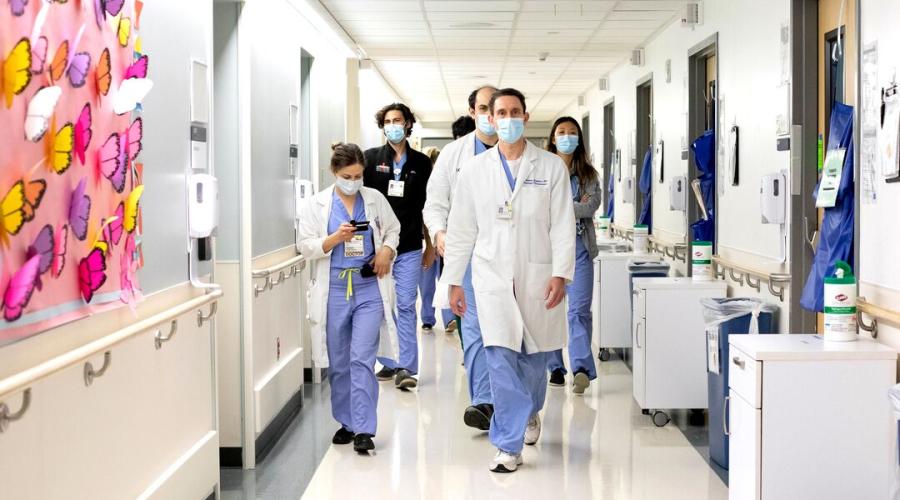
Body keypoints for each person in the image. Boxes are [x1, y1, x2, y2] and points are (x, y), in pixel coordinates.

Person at [442, 88, 576, 472]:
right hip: (491, 277)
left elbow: (563, 226)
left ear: (526, 116)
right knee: (499, 355)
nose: (508, 118)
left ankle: (530, 410)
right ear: (490, 118)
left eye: (515, 111)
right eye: (501, 112)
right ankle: (508, 444)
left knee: (535, 359)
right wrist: (454, 280)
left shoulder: (551, 167)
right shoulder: (474, 170)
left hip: (538, 274)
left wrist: (560, 273)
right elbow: (462, 228)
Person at [296, 143, 401, 454]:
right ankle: (347, 422)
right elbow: (305, 245)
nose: (353, 181)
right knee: (339, 362)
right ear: (334, 173)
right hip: (335, 291)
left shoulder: (375, 199)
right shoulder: (316, 205)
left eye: (358, 175)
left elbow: (393, 230)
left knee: (361, 359)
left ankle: (365, 428)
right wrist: (333, 239)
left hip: (369, 288)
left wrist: (385, 250)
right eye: (347, 175)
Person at [423, 85, 499, 431]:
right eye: (483, 108)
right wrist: (438, 232)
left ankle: (518, 403)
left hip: (514, 256)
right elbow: (435, 203)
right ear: (473, 112)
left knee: (515, 331)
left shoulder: (528, 158)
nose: (489, 115)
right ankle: (483, 402)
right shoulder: (454, 154)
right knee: (475, 327)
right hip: (468, 253)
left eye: (494, 108)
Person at [363, 103, 434, 390]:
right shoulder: (370, 159)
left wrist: (430, 244)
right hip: (379, 247)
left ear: (407, 125)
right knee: (382, 304)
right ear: (383, 126)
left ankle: (406, 366)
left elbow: (428, 207)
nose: (393, 125)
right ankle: (388, 361)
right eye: (388, 121)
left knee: (405, 304)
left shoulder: (420, 162)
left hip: (409, 244)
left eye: (398, 120)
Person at [545, 117, 601, 394]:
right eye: (562, 132)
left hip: (579, 247)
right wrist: (572, 205)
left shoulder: (588, 174)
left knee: (579, 311)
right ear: (553, 138)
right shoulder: (541, 169)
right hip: (547, 249)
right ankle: (555, 367)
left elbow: (591, 207)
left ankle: (580, 368)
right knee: (551, 307)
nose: (567, 137)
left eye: (572, 133)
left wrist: (559, 207)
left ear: (579, 138)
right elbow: (538, 208)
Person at [418, 148, 454, 333]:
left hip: (449, 237)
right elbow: (427, 213)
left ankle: (448, 319)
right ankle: (428, 318)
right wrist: (430, 244)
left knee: (447, 278)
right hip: (427, 238)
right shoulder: (424, 182)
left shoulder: (448, 181)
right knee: (427, 282)